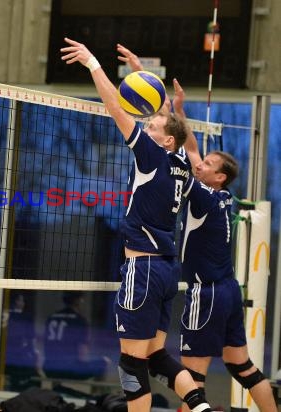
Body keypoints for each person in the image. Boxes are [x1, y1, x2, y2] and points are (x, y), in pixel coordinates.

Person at [60, 38, 212, 412]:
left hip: (142, 269)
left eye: (153, 125)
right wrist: (139, 71)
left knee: (130, 363)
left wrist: (94, 63)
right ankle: (202, 407)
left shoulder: (152, 156)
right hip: (165, 270)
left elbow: (115, 106)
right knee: (157, 356)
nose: (147, 123)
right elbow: (160, 109)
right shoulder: (181, 165)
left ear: (166, 140)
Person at [172, 79, 277, 412]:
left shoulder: (202, 195)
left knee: (191, 376)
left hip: (208, 293)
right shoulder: (221, 197)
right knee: (241, 366)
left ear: (220, 177)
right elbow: (191, 152)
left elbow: (179, 162)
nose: (200, 164)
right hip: (228, 290)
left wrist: (164, 125)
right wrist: (179, 110)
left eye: (209, 165)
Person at [43, 291, 107, 381]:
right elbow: (82, 352)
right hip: (69, 369)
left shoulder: (51, 317)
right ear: (78, 301)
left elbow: (45, 345)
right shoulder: (79, 320)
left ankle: (57, 388)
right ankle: (97, 393)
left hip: (48, 368)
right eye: (81, 299)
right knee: (104, 362)